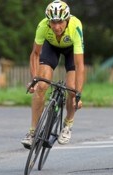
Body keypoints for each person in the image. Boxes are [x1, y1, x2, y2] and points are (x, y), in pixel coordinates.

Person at [21, 0, 84, 148]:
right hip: (52, 48)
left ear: (67, 19)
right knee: (41, 86)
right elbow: (35, 54)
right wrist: (34, 80)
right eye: (53, 22)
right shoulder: (43, 26)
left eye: (60, 22)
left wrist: (79, 94)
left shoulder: (76, 26)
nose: (56, 27)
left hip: (70, 51)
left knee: (72, 89)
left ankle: (68, 125)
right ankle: (32, 132)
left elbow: (80, 65)